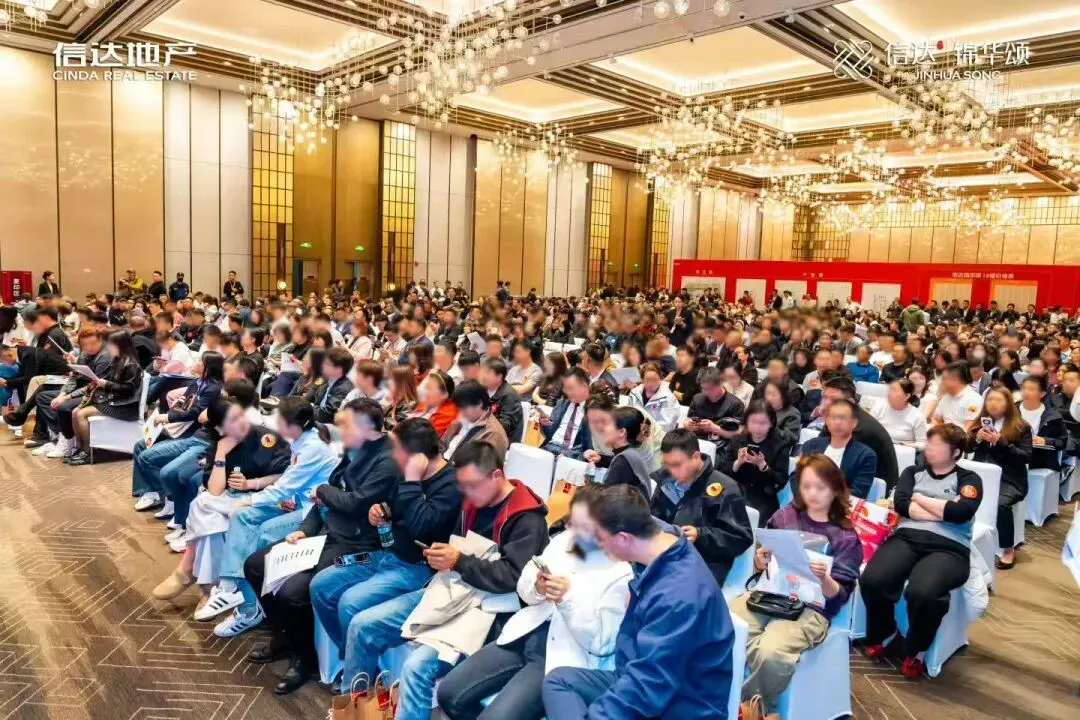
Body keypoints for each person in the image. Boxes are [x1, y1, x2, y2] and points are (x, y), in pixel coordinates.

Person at [341, 439, 548, 720]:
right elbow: (449, 545)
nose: (467, 493)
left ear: (497, 475)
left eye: (473, 485)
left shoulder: (526, 518)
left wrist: (458, 560)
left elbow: (514, 577)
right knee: (361, 626)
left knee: (416, 667)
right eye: (463, 486)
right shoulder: (472, 503)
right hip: (451, 590)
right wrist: (444, 555)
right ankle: (356, 712)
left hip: (488, 609)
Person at [243, 398, 400, 694]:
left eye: (346, 425)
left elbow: (355, 503)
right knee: (255, 565)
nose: (340, 431)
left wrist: (324, 491)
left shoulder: (388, 461)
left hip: (359, 545)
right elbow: (323, 500)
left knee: (293, 592)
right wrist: (305, 529)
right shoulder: (354, 450)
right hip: (328, 533)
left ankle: (304, 658)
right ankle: (284, 635)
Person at [437, 484, 632, 720]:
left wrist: (566, 600)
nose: (570, 529)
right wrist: (537, 587)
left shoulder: (620, 573)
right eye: (572, 521)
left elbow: (602, 643)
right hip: (525, 632)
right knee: (449, 694)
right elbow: (525, 587)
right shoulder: (564, 542)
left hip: (561, 655)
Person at [542, 484, 735, 719]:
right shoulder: (660, 544)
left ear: (623, 538)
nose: (597, 546)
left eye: (600, 539)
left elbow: (649, 687)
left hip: (679, 705)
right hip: (638, 676)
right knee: (558, 681)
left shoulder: (676, 595)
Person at [730, 454, 862, 719]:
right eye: (807, 486)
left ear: (836, 489)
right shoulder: (785, 515)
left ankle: (749, 707)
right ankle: (735, 697)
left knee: (771, 652)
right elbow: (763, 557)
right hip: (769, 594)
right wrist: (760, 561)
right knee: (726, 627)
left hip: (813, 608)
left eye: (821, 487)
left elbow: (840, 597)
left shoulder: (845, 536)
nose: (813, 494)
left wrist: (825, 579)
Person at [194, 397, 338, 636]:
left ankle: (249, 609)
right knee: (241, 517)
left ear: (294, 425)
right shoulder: (300, 441)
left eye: (280, 420)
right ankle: (229, 587)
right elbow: (286, 484)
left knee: (257, 534)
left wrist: (248, 498)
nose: (275, 423)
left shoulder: (312, 448)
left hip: (310, 513)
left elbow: (283, 486)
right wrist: (248, 499)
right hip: (292, 502)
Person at [861, 424, 983, 678]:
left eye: (937, 445)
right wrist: (943, 509)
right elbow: (902, 505)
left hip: (950, 547)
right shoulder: (912, 472)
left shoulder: (969, 479)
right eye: (929, 443)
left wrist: (920, 499)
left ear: (955, 452)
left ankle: (917, 649)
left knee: (923, 592)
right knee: (873, 579)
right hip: (907, 537)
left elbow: (961, 512)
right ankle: (886, 632)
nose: (930, 449)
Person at [648, 428, 753, 584]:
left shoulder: (725, 488)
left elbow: (741, 538)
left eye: (676, 464)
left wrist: (700, 535)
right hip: (666, 554)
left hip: (704, 563)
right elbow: (654, 515)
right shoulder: (666, 479)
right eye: (667, 464)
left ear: (696, 457)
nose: (671, 470)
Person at [131, 352, 225, 512]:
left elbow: (196, 412)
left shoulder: (213, 389)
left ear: (208, 367)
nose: (196, 363)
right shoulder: (198, 382)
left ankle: (163, 493)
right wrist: (175, 408)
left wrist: (168, 417)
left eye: (200, 361)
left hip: (189, 430)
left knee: (148, 457)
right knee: (140, 445)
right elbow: (184, 403)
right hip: (177, 425)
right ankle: (149, 490)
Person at [968, 386, 1032, 569]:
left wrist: (1001, 443)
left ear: (1008, 403)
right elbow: (966, 448)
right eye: (990, 399)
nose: (993, 404)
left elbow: (1026, 457)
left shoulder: (1021, 426)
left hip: (1010, 478)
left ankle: (1008, 549)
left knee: (1000, 504)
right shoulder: (980, 422)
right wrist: (977, 439)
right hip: (981, 474)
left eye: (998, 400)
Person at [62, 331, 144, 466]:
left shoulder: (131, 364)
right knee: (75, 411)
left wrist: (106, 384)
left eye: (111, 345)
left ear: (120, 345)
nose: (108, 347)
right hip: (115, 400)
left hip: (126, 406)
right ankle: (80, 448)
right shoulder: (118, 360)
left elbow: (129, 389)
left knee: (81, 414)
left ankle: (87, 452)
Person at [28, 325, 110, 457]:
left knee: (64, 407)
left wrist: (66, 398)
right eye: (85, 344)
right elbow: (74, 378)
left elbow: (94, 385)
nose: (90, 347)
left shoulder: (104, 357)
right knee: (43, 397)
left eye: (93, 343)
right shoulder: (84, 354)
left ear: (100, 340)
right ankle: (61, 438)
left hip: (95, 394)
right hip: (81, 390)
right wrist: (62, 394)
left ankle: (66, 441)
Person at [719, 399, 795, 525]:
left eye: (763, 423)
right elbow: (722, 470)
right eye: (753, 422)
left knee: (751, 521)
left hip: (763, 496)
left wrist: (763, 466)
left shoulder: (780, 445)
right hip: (737, 490)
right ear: (746, 422)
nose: (757, 427)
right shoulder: (737, 440)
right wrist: (737, 463)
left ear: (771, 423)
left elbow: (781, 480)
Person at [801, 399, 877, 499]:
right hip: (805, 501)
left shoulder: (865, 455)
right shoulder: (811, 445)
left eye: (842, 418)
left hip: (840, 505)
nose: (837, 422)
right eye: (833, 417)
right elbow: (796, 476)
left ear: (854, 423)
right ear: (826, 421)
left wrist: (823, 496)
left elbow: (859, 492)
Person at [442, 379, 510, 462]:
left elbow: (479, 467)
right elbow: (442, 444)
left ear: (479, 404)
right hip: (443, 462)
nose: (460, 413)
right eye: (459, 408)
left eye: (463, 408)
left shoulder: (493, 434)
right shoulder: (464, 418)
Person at [597, 407, 654, 497]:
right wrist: (600, 459)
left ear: (621, 432)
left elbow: (605, 499)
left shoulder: (623, 461)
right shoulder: (630, 454)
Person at [539, 367, 592, 458]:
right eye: (566, 388)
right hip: (550, 448)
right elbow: (549, 434)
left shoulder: (593, 410)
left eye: (571, 388)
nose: (567, 392)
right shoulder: (562, 404)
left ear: (584, 386)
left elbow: (588, 445)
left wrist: (568, 455)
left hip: (572, 455)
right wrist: (545, 424)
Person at [1018, 374, 1066, 472]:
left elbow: (1062, 441)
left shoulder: (1053, 416)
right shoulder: (1011, 410)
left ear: (1042, 394)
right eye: (1024, 388)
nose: (1026, 392)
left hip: (1040, 460)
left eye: (1031, 389)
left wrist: (1045, 441)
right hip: (1014, 456)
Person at [685, 366, 745, 443]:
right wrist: (687, 425)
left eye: (711, 388)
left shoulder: (736, 404)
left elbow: (738, 435)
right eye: (704, 388)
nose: (707, 392)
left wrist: (715, 428)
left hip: (721, 444)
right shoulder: (697, 398)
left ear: (721, 383)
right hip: (696, 441)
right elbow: (688, 420)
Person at [872, 378, 928, 450]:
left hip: (902, 450)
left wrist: (910, 446)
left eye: (894, 390)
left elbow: (922, 444)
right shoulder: (879, 406)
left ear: (907, 396)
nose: (889, 393)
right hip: (878, 447)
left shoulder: (917, 416)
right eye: (890, 389)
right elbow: (869, 429)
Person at [482, 357, 525, 444]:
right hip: (485, 433)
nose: (483, 376)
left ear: (499, 377)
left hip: (502, 441)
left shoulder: (510, 396)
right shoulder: (483, 389)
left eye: (487, 373)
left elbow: (505, 425)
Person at [627, 362, 680, 432]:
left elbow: (668, 425)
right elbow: (629, 415)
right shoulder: (634, 393)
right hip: (636, 431)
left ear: (660, 379)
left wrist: (647, 429)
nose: (651, 384)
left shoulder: (668, 396)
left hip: (659, 434)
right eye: (647, 380)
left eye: (654, 380)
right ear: (642, 379)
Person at [931, 361, 983, 428]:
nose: (941, 382)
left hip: (961, 434)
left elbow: (968, 429)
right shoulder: (945, 398)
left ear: (955, 380)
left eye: (944, 379)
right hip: (944, 432)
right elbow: (937, 420)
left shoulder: (974, 399)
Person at [312, 346, 354, 423]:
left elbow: (325, 416)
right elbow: (312, 398)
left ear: (339, 369)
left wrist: (307, 408)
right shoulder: (327, 379)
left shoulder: (344, 389)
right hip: (317, 419)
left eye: (327, 364)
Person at [413, 370, 458, 437]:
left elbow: (424, 438)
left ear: (444, 395)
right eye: (426, 387)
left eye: (429, 389)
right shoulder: (427, 402)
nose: (424, 391)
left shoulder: (448, 415)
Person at [762, 378, 801, 444]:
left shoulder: (792, 413)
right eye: (767, 393)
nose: (769, 398)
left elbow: (791, 438)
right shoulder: (760, 407)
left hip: (775, 445)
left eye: (773, 395)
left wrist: (771, 428)